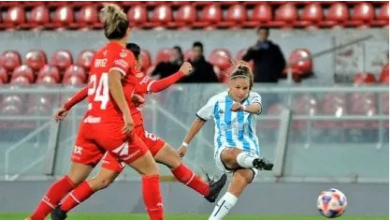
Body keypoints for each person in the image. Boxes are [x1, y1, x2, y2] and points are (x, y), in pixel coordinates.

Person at [50, 43, 227, 220]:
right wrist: (180, 73)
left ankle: (207, 191)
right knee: (119, 177)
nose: (142, 60)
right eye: (139, 57)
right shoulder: (133, 78)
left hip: (136, 134)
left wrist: (67, 105)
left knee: (171, 159)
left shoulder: (117, 77)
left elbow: (89, 90)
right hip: (125, 137)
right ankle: (62, 208)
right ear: (132, 59)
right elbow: (157, 86)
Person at [26, 4, 165, 220]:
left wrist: (68, 105)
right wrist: (127, 114)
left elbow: (94, 87)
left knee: (73, 178)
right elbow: (112, 79)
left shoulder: (99, 55)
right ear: (128, 31)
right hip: (111, 126)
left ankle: (34, 218)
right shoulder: (126, 54)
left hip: (90, 122)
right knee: (151, 171)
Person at [177, 62, 274, 220]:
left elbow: (257, 108)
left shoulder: (254, 97)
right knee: (233, 153)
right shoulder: (217, 101)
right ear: (230, 84)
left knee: (238, 186)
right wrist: (185, 144)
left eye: (245, 88)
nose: (242, 92)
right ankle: (256, 162)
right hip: (225, 151)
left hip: (251, 151)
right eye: (238, 87)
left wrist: (243, 108)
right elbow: (200, 119)